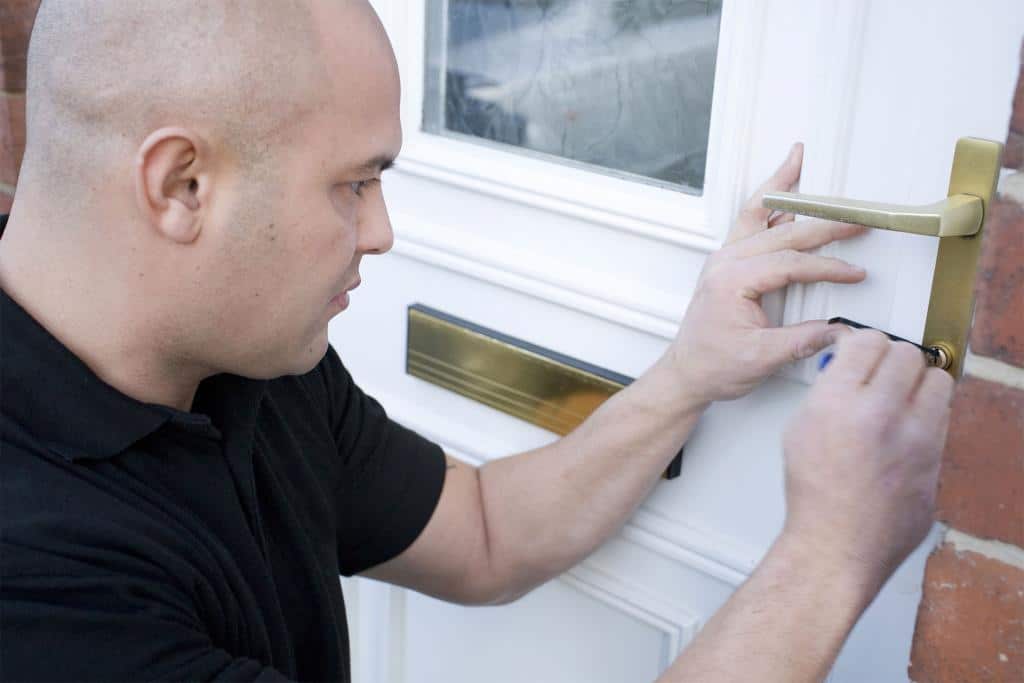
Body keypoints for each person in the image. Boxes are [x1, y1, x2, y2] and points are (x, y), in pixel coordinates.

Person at [0, 1, 954, 681]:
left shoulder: (245, 362)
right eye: (355, 183)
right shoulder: (36, 587)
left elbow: (486, 532)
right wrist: (832, 553)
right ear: (182, 186)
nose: (382, 232)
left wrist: (687, 376)